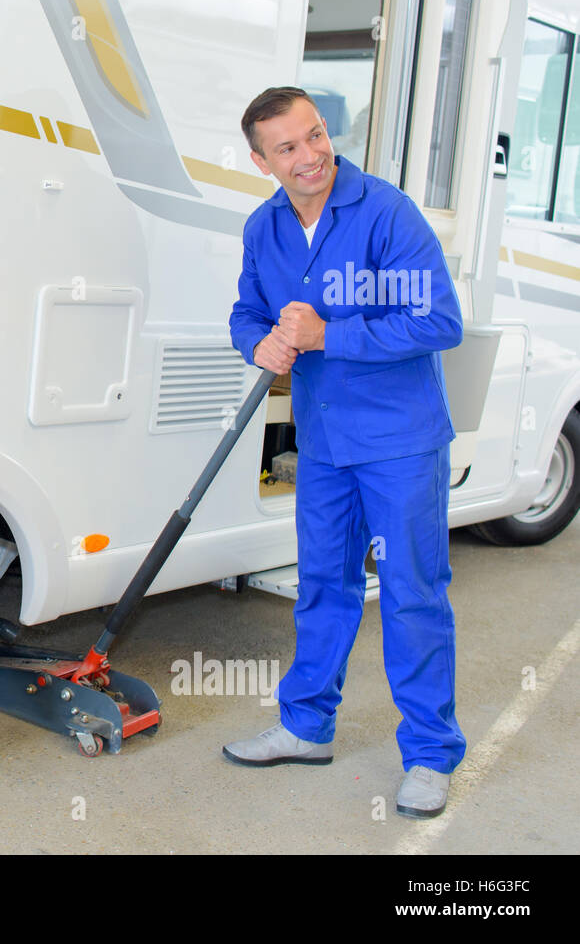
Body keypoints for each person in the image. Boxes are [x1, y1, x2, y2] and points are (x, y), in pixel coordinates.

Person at [224, 86, 466, 818]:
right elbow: (247, 312)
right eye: (289, 147)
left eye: (316, 135)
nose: (311, 156)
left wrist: (333, 334)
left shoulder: (385, 211)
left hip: (398, 441)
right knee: (323, 586)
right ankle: (306, 725)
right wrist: (257, 342)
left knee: (412, 591)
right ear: (261, 159)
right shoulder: (263, 228)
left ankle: (428, 753)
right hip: (321, 443)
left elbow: (440, 320)